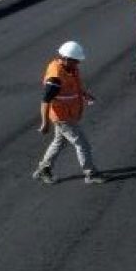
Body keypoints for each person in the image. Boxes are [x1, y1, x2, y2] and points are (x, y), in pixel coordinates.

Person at [33, 41, 106, 185]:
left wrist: (84, 94)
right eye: (75, 60)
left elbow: (73, 85)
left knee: (59, 142)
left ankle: (43, 169)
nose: (78, 63)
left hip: (69, 113)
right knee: (82, 144)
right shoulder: (55, 78)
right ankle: (90, 173)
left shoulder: (69, 68)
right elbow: (45, 101)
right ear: (65, 58)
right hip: (62, 116)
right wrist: (45, 123)